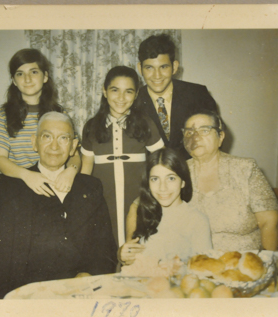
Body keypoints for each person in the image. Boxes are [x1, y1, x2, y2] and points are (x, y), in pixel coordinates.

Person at [0, 112, 117, 299]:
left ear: (73, 146)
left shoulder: (90, 187)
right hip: (25, 292)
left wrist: (88, 275)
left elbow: (105, 247)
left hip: (79, 290)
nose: (54, 146)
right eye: (47, 137)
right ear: (34, 143)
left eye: (63, 138)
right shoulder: (11, 184)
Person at [81, 66, 164, 247]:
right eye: (114, 90)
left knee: (136, 240)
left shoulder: (146, 124)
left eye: (128, 92)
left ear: (135, 96)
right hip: (103, 197)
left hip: (136, 195)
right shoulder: (92, 126)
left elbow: (161, 161)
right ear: (104, 91)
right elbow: (86, 169)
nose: (121, 98)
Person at [0, 48, 81, 197]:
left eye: (34, 72)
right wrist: (27, 176)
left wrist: (71, 170)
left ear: (45, 77)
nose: (27, 79)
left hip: (55, 184)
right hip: (19, 184)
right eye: (20, 74)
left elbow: (74, 154)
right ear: (14, 81)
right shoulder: (3, 115)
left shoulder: (59, 114)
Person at [182, 110, 278, 251]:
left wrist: (268, 261)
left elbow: (269, 222)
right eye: (189, 132)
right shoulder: (176, 172)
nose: (195, 137)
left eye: (204, 130)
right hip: (193, 263)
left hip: (242, 263)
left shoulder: (245, 169)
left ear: (220, 136)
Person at [118, 147, 212, 266]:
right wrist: (123, 255)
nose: (163, 188)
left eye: (171, 178)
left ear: (183, 182)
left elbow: (203, 270)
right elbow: (129, 259)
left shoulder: (197, 220)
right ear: (148, 183)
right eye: (155, 179)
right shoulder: (140, 210)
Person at [136, 34, 218, 159]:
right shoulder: (132, 101)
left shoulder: (197, 94)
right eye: (149, 68)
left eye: (163, 67)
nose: (157, 75)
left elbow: (214, 140)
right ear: (139, 68)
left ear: (174, 67)